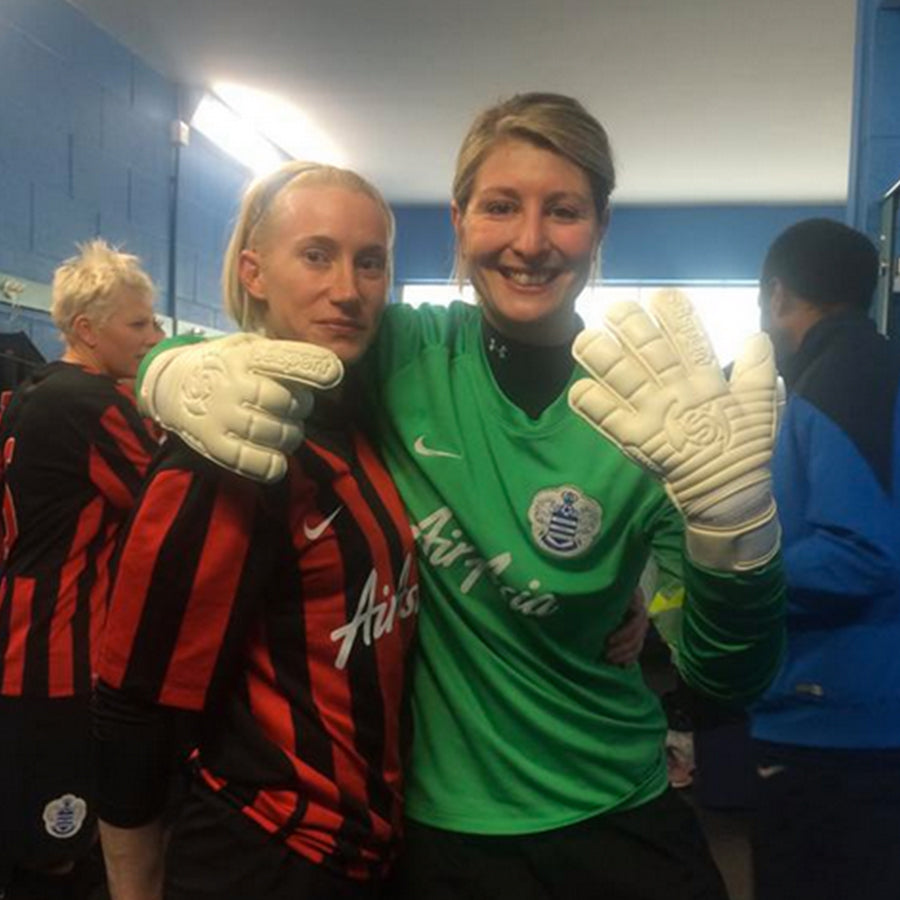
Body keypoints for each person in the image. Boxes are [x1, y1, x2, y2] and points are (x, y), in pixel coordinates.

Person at [135, 93, 786, 899]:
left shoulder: (654, 411)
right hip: (442, 835)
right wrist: (168, 369)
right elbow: (262, 350)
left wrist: (737, 538)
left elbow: (728, 680)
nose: (530, 242)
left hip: (621, 813)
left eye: (566, 211)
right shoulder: (403, 350)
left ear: (601, 228)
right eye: (501, 206)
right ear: (460, 220)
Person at [93, 161, 420, 900]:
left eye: (370, 263)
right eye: (316, 254)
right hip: (266, 855)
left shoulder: (358, 414)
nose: (347, 288)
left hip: (371, 851)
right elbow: (133, 696)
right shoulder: (230, 451)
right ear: (255, 271)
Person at [0, 240, 161, 900]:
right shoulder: (91, 405)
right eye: (139, 324)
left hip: (24, 637)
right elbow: (166, 506)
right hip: (55, 653)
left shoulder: (35, 391)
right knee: (58, 851)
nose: (155, 336)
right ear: (87, 331)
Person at [751, 218, 900, 900]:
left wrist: (735, 571)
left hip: (837, 724)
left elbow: (863, 553)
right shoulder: (875, 368)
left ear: (777, 294)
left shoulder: (838, 383)